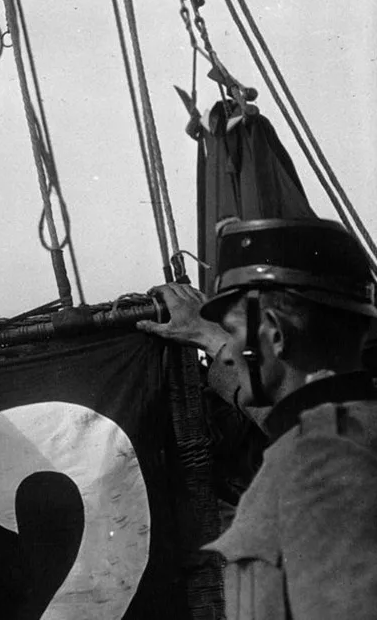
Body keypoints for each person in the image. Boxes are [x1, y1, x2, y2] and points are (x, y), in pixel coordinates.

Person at [137, 218, 377, 620]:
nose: (227, 352)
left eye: (230, 332)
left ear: (276, 334)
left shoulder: (322, 463)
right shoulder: (346, 431)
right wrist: (208, 336)